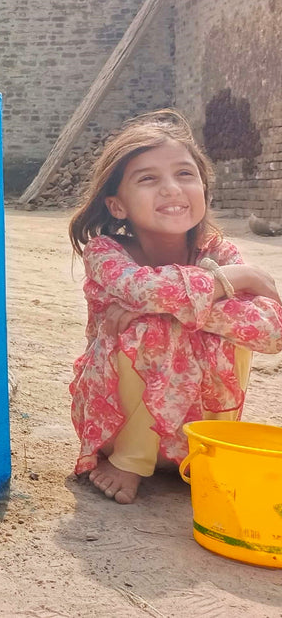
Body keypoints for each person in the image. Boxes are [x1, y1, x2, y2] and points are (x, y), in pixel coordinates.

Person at [68, 109, 282, 504]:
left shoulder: (216, 250)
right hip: (119, 421)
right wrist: (233, 279)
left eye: (185, 174)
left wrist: (169, 308)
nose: (171, 189)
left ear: (203, 188)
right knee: (152, 328)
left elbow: (270, 330)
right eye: (148, 179)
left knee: (190, 325)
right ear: (117, 206)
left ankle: (207, 450)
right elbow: (139, 288)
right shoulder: (107, 251)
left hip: (191, 431)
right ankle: (130, 460)